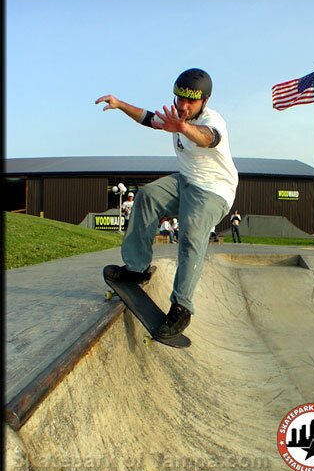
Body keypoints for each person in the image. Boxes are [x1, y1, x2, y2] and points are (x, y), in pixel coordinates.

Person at [96, 68, 238, 339]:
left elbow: (209, 138)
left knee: (191, 231)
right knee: (147, 196)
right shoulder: (174, 115)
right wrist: (119, 103)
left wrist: (184, 127)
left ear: (204, 101)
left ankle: (182, 307)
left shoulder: (213, 120)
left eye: (191, 102)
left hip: (214, 190)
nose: (183, 106)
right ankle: (137, 269)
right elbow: (147, 118)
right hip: (185, 181)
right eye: (179, 99)